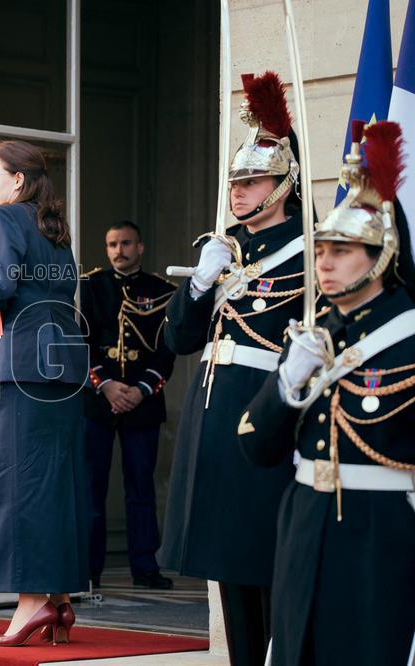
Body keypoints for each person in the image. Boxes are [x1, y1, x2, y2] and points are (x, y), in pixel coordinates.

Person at [238, 120, 415, 666]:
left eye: (343, 250)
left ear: (382, 254)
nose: (326, 264)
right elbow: (255, 445)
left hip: (380, 534)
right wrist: (288, 383)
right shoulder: (316, 334)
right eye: (321, 251)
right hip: (303, 523)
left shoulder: (407, 335)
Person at [158, 72, 306, 665]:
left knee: (265, 561)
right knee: (228, 563)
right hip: (215, 419)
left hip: (267, 417)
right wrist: (197, 284)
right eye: (236, 182)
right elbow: (179, 339)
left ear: (283, 186)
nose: (239, 192)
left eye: (253, 182)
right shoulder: (226, 251)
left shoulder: (310, 249)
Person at [0, 139, 88, 647]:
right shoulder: (57, 231)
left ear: (18, 181)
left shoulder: (6, 220)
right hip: (62, 367)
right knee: (55, 484)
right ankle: (58, 600)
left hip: (21, 365)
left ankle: (30, 604)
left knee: (18, 487)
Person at [80, 220, 176, 590]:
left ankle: (145, 567)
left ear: (140, 247)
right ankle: (89, 570)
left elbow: (167, 350)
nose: (118, 250)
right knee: (92, 488)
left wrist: (139, 389)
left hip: (143, 402)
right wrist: (105, 386)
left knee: (141, 488)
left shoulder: (163, 291)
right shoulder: (90, 286)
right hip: (98, 401)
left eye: (125, 244)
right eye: (111, 244)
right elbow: (81, 341)